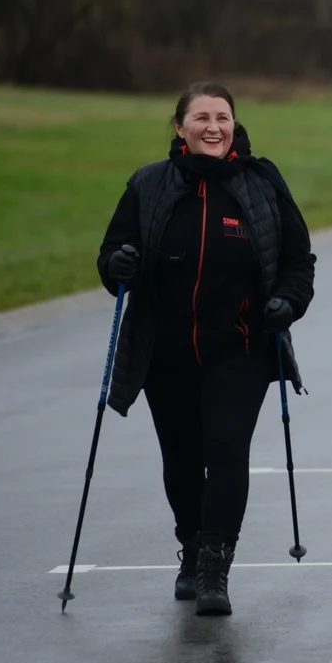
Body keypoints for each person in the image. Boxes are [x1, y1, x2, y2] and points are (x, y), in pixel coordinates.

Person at [96, 81, 317, 616]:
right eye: (201, 118)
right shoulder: (150, 184)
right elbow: (111, 257)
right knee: (181, 460)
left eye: (222, 117)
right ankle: (192, 549)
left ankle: (216, 566)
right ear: (180, 128)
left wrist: (287, 302)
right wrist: (119, 264)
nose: (212, 127)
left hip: (239, 347)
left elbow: (297, 263)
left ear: (234, 125)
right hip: (165, 350)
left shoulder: (262, 184)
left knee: (225, 452)